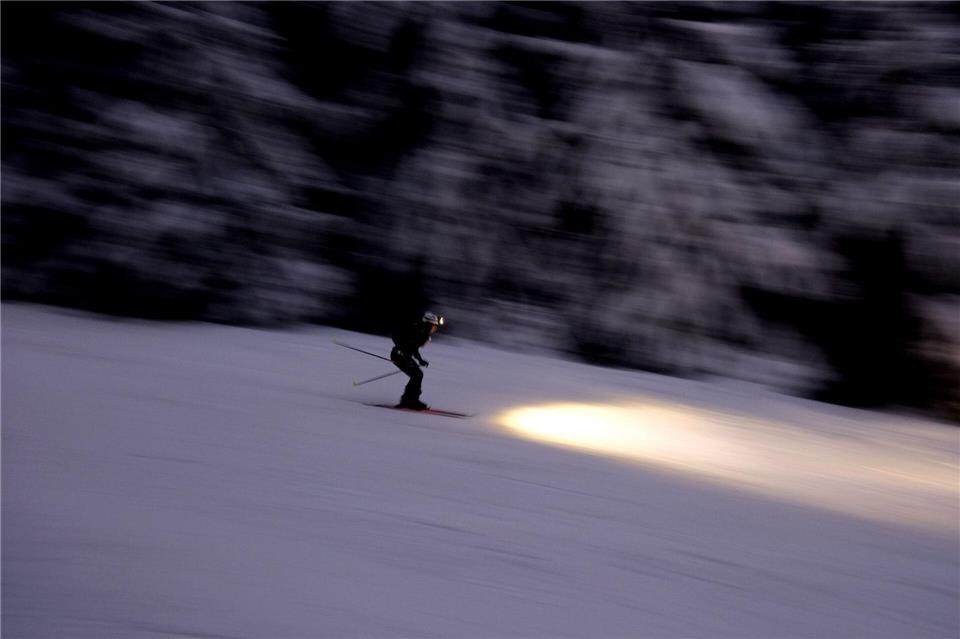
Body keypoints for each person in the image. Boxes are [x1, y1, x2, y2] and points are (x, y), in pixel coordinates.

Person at [390, 311, 443, 410]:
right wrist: (403, 350)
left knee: (417, 375)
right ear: (428, 324)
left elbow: (414, 348)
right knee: (417, 375)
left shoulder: (421, 332)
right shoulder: (417, 330)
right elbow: (402, 341)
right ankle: (410, 401)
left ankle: (408, 400)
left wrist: (420, 360)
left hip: (403, 356)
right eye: (433, 326)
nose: (434, 329)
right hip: (399, 356)